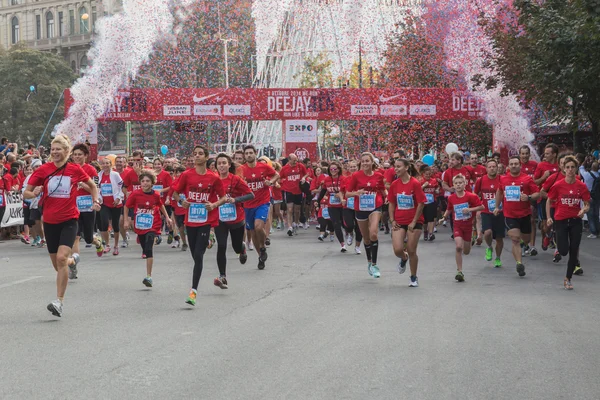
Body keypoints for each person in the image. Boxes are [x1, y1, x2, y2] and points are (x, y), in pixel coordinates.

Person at [24, 135, 100, 317]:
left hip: (69, 220)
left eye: (59, 149)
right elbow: (25, 193)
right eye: (53, 149)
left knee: (60, 258)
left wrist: (95, 200)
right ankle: (73, 261)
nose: (55, 152)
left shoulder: (75, 169)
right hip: (50, 222)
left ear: (67, 151)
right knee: (58, 265)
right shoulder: (43, 169)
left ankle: (59, 301)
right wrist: (33, 193)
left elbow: (92, 186)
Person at [173, 145, 227, 306]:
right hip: (191, 220)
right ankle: (209, 240)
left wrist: (214, 204)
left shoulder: (214, 177)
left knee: (198, 255)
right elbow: (175, 192)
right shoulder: (186, 175)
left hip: (206, 220)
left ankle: (193, 291)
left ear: (206, 157)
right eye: (195, 153)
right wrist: (182, 201)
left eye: (200, 154)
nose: (197, 156)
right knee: (195, 255)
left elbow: (223, 197)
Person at [546, 156, 590, 289]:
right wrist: (549, 217)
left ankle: (568, 278)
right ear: (563, 169)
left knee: (574, 249)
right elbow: (549, 200)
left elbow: (587, 204)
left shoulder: (581, 186)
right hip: (561, 220)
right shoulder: (558, 185)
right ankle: (556, 242)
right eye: (568, 167)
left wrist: (583, 210)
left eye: (572, 167)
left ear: (576, 169)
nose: (570, 170)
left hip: (576, 220)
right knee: (564, 250)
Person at [124, 171, 172, 287]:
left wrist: (167, 218)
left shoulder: (155, 195)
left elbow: (160, 205)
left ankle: (149, 276)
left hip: (153, 224)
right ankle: (156, 239)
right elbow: (126, 206)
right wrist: (126, 220)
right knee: (145, 249)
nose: (145, 183)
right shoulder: (135, 194)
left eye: (147, 181)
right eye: (143, 181)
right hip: (140, 226)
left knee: (149, 247)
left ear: (152, 183)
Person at [495, 156, 540, 277]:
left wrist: (529, 197)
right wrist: (496, 206)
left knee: (525, 239)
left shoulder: (527, 179)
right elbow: (499, 192)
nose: (514, 166)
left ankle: (524, 244)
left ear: (520, 165)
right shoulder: (503, 179)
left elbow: (537, 193)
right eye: (511, 164)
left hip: (524, 214)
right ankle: (519, 263)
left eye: (516, 164)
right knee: (514, 239)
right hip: (509, 214)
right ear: (508, 166)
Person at [214, 153, 255, 289]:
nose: (221, 166)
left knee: (236, 247)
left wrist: (235, 200)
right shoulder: (213, 179)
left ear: (229, 165)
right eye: (219, 163)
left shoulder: (236, 179)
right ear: (216, 166)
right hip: (220, 219)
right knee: (221, 246)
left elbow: (250, 194)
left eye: (224, 163)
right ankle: (222, 276)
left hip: (236, 218)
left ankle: (242, 248)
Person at [346, 152, 386, 278]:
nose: (365, 163)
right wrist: (357, 193)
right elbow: (347, 194)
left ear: (372, 162)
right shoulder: (356, 176)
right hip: (361, 208)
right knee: (367, 238)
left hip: (375, 206)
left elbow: (382, 189)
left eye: (367, 161)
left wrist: (387, 196)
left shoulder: (379, 175)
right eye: (362, 161)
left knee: (373, 232)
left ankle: (375, 264)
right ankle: (369, 262)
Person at [240, 145, 279, 270]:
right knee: (252, 232)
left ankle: (263, 245)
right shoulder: (241, 169)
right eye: (247, 153)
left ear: (255, 153)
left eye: (251, 153)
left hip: (262, 201)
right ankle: (260, 255)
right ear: (244, 155)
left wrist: (271, 182)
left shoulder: (263, 167)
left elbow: (276, 175)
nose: (249, 155)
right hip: (248, 204)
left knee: (258, 226)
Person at [388, 159, 426, 287]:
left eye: (399, 167)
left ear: (406, 167)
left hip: (414, 221)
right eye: (395, 167)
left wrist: (414, 221)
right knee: (398, 249)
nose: (396, 169)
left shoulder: (415, 183)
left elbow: (421, 203)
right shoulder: (394, 184)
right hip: (399, 221)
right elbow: (392, 204)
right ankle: (403, 258)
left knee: (411, 250)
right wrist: (392, 220)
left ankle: (413, 277)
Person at [70, 143, 103, 279]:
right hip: (73, 207)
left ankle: (98, 242)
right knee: (75, 236)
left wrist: (84, 185)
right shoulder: (69, 169)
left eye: (80, 155)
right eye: (75, 154)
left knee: (88, 238)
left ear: (85, 156)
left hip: (88, 207)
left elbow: (95, 189)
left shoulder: (91, 170)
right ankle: (73, 265)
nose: (77, 157)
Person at [444, 174, 484, 282]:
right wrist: (443, 217)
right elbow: (449, 209)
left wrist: (470, 210)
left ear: (465, 184)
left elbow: (482, 207)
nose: (458, 185)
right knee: (458, 247)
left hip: (468, 226)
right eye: (456, 183)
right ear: (453, 185)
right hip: (457, 225)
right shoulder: (451, 198)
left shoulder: (471, 196)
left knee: (466, 251)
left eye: (460, 183)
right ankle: (459, 271)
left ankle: (471, 240)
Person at [474, 159, 504, 267]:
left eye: (494, 166)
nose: (492, 168)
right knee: (487, 232)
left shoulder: (502, 179)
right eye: (490, 167)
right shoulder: (481, 180)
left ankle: (498, 258)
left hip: (500, 212)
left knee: (499, 238)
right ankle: (489, 247)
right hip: (486, 211)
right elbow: (475, 194)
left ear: (497, 168)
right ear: (486, 169)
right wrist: (477, 206)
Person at [315, 161, 347, 252]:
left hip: (343, 205)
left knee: (345, 225)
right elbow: (323, 191)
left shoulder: (343, 179)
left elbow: (346, 190)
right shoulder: (327, 179)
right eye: (331, 169)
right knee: (336, 224)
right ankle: (342, 244)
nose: (333, 170)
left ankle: (349, 234)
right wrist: (318, 201)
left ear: (339, 170)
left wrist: (341, 195)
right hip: (332, 205)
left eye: (335, 169)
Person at [534, 144, 559, 253]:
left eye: (548, 153)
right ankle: (547, 235)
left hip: (558, 197)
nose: (545, 155)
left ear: (554, 154)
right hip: (544, 197)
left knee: (557, 221)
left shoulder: (560, 165)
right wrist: (544, 177)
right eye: (545, 153)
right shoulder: (541, 165)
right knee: (546, 225)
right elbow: (535, 182)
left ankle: (552, 239)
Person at [98, 157, 124, 256]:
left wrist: (118, 198)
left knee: (115, 225)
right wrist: (98, 198)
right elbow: (96, 189)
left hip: (115, 203)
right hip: (104, 203)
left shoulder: (115, 175)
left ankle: (116, 246)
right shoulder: (98, 175)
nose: (105, 165)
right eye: (103, 163)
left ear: (110, 164)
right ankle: (108, 245)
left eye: (107, 163)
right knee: (104, 223)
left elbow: (122, 187)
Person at [279, 154, 308, 236]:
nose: (296, 161)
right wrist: (282, 182)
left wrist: (303, 178)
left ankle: (295, 222)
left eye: (296, 159)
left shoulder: (300, 166)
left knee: (297, 210)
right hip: (289, 191)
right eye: (294, 160)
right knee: (290, 209)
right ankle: (289, 227)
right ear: (289, 160)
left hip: (298, 191)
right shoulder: (285, 168)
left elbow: (306, 174)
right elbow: (279, 177)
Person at [341, 160, 362, 254]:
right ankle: (350, 233)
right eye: (351, 167)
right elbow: (341, 191)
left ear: (357, 168)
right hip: (348, 206)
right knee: (349, 225)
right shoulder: (345, 179)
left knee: (359, 228)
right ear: (348, 168)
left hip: (360, 205)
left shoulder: (361, 178)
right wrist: (342, 199)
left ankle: (357, 247)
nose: (353, 168)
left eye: (354, 166)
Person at [579, 160, 599, 238]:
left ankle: (593, 232)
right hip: (597, 197)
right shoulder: (599, 174)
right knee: (596, 214)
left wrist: (585, 160)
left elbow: (581, 168)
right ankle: (598, 230)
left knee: (590, 215)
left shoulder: (587, 175)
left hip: (589, 196)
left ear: (591, 167)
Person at [419, 164, 439, 241]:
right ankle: (425, 231)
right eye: (426, 174)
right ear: (423, 174)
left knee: (431, 218)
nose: (427, 175)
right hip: (423, 203)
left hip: (431, 201)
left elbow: (437, 188)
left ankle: (431, 233)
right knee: (425, 220)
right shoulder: (420, 181)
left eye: (429, 174)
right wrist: (423, 186)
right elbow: (417, 191)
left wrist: (437, 190)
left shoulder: (433, 181)